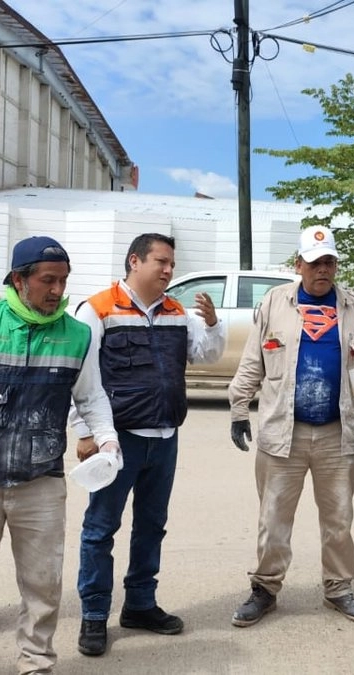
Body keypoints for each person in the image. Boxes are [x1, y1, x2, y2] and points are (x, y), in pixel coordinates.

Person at [0, 236, 120, 674]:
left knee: (42, 585)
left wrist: (107, 440)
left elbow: (90, 397)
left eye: (63, 281)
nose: (57, 290)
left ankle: (36, 663)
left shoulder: (78, 335)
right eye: (47, 280)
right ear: (19, 279)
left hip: (41, 483)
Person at [72, 232, 225, 657]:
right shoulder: (97, 310)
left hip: (164, 438)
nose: (168, 270)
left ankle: (140, 604)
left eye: (171, 264)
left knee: (151, 526)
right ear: (134, 261)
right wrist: (85, 432)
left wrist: (212, 323)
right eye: (161, 261)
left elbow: (207, 355)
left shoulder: (177, 312)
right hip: (116, 441)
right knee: (101, 529)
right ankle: (94, 614)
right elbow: (79, 376)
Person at [227, 225, 354, 627]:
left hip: (336, 433)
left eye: (329, 261)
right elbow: (252, 362)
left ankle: (339, 589)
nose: (322, 269)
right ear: (299, 265)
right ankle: (265, 588)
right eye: (314, 262)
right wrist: (239, 407)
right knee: (274, 518)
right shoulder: (275, 303)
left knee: (339, 520)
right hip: (283, 433)